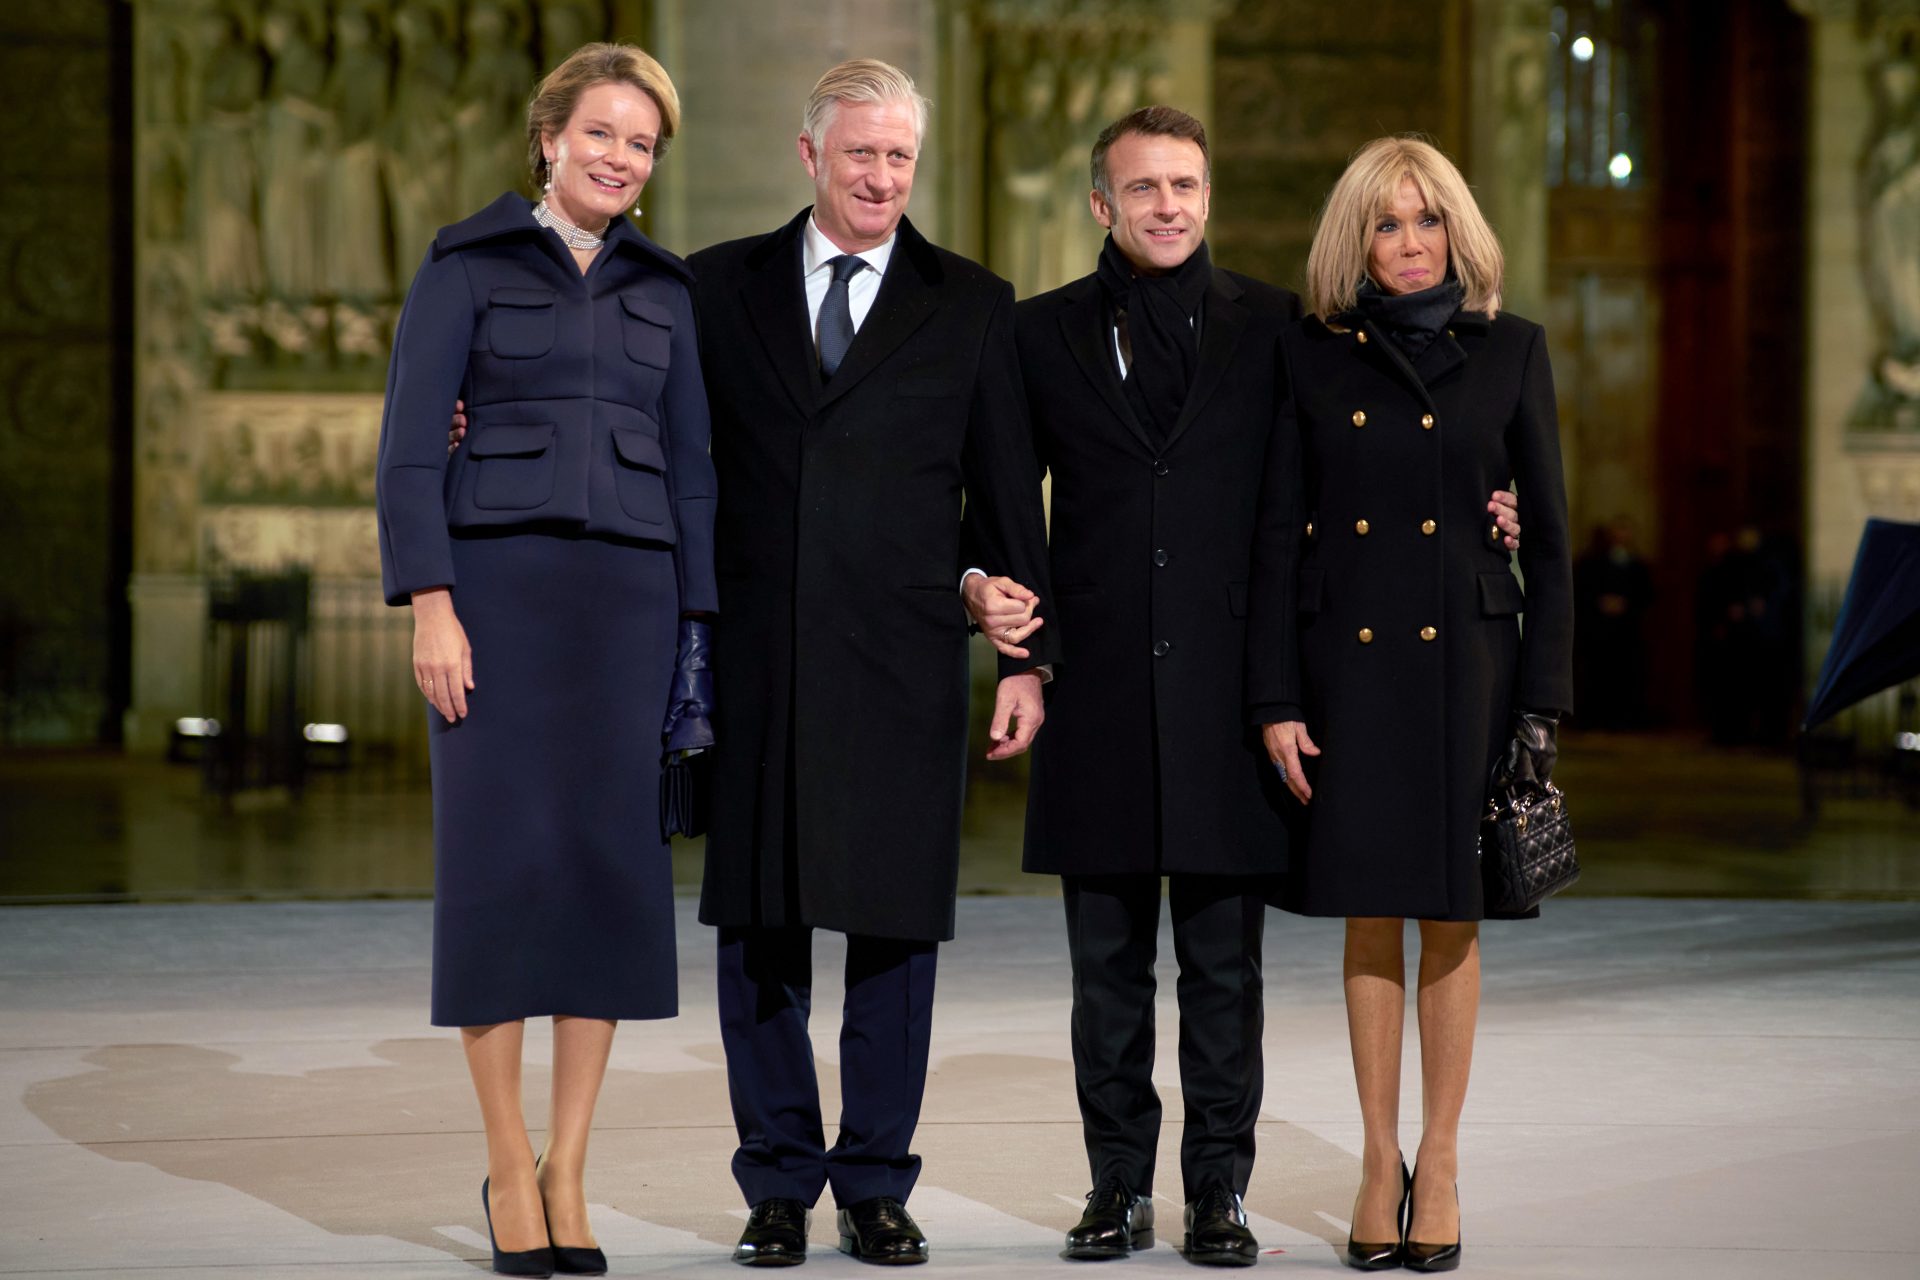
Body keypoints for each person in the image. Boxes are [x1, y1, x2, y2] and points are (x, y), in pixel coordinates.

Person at [973, 108, 1522, 1268]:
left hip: (1238, 691)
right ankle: (1116, 1185)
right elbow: (1008, 507)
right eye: (1144, 187)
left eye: (1186, 184)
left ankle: (1217, 1189)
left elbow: (1368, 459)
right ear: (1100, 205)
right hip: (1100, 688)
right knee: (1106, 969)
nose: (1168, 204)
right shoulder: (1036, 335)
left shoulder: (1284, 328)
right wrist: (1015, 642)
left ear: (1208, 196)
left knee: (1225, 968)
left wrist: (1491, 502)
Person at [688, 60, 1059, 1267]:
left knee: (895, 930)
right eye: (861, 155)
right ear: (810, 157)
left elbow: (1006, 493)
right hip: (757, 654)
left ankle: (876, 1183)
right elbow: (651, 436)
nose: (882, 178)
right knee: (760, 926)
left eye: (900, 157)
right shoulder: (714, 286)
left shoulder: (971, 303)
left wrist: (1023, 660)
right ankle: (779, 1183)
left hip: (904, 658)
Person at [375, 43, 715, 1278]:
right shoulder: (464, 266)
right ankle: (506, 1158)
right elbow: (409, 451)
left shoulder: (668, 291)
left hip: (629, 605)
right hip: (496, 605)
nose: (621, 158)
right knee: (499, 875)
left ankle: (572, 1164)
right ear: (549, 138)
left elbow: (695, 471)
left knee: (607, 882)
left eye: (642, 144)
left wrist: (699, 634)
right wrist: (431, 604)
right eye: (602, 134)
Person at [1254, 136, 1573, 1273]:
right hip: (1347, 663)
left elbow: (1555, 543)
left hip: (1470, 665)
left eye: (1425, 221)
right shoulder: (1311, 357)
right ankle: (1376, 1155)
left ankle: (1439, 1155)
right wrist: (1276, 694)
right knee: (1367, 909)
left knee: (1452, 909)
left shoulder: (1512, 353)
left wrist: (1543, 701)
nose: (1407, 243)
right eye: (1385, 223)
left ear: (1456, 233)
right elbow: (1273, 543)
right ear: (1357, 238)